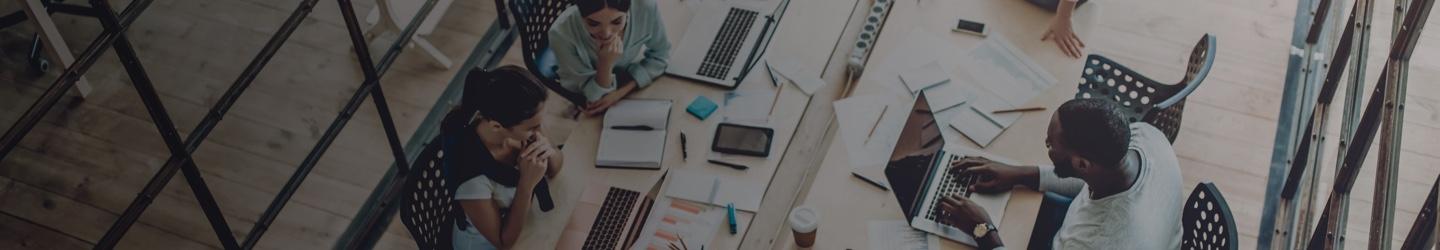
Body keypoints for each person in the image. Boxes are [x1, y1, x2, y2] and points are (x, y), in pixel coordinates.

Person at [939, 98, 1183, 249]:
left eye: (1050, 145)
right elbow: (1091, 181)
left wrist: (983, 230)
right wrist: (1020, 174)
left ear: (1083, 164)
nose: (1046, 145)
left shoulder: (1092, 241)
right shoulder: (1145, 136)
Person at [442, 66, 564, 250]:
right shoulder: (471, 177)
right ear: (497, 127)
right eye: (533, 127)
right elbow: (503, 242)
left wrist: (548, 150)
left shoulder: (523, 124)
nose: (539, 132)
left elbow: (555, 168)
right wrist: (526, 184)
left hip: (527, 222)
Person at [549, 0, 672, 116]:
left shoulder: (645, 7)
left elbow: (661, 55)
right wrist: (605, 63)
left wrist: (620, 93)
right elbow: (594, 98)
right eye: (593, 23)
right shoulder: (561, 34)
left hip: (626, 86)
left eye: (617, 21)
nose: (607, 33)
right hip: (587, 101)